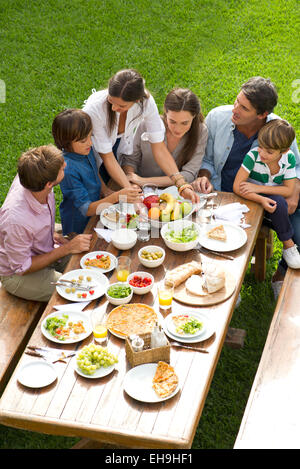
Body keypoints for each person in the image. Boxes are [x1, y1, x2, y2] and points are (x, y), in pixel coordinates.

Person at [192, 76, 300, 295]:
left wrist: (293, 198)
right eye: (236, 101)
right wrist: (203, 175)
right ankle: (222, 282)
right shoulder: (216, 118)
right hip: (222, 195)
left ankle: (280, 275)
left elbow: (295, 169)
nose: (235, 109)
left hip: (265, 198)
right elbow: (207, 160)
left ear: (262, 115)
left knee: (298, 230)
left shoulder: (277, 130)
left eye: (243, 108)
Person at [82, 69, 199, 203]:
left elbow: (159, 147)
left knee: (113, 194)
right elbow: (107, 157)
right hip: (89, 152)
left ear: (137, 100)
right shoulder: (95, 109)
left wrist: (181, 184)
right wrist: (132, 192)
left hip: (115, 146)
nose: (114, 108)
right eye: (111, 101)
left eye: (121, 105)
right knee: (93, 196)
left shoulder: (146, 102)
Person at [0, 145, 92, 302]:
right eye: (61, 168)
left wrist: (53, 234)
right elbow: (23, 267)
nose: (65, 165)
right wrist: (67, 248)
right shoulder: (16, 220)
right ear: (49, 184)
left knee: (90, 266)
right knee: (77, 291)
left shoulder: (33, 175)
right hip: (17, 274)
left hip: (43, 249)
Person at [52, 108, 142, 236]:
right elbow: (86, 209)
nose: (90, 142)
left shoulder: (84, 151)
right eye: (83, 140)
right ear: (65, 142)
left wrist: (105, 190)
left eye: (90, 136)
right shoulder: (68, 169)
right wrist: (116, 197)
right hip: (79, 225)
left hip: (97, 212)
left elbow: (94, 171)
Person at [233, 119, 300, 269]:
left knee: (283, 200)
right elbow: (237, 186)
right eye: (261, 147)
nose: (262, 153)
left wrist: (259, 189)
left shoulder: (288, 158)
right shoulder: (253, 156)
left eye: (269, 152)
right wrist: (260, 198)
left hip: (264, 191)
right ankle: (288, 244)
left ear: (284, 151)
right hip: (251, 198)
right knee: (279, 203)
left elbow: (289, 190)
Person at [121, 88, 208, 188]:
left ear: (194, 116)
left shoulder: (201, 131)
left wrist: (143, 181)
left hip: (176, 192)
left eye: (184, 123)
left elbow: (189, 174)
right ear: (165, 112)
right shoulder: (147, 124)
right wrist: (132, 183)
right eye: (172, 121)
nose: (178, 129)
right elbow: (130, 160)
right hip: (141, 190)